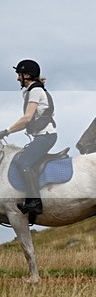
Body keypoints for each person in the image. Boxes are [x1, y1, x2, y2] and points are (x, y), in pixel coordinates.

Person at [0, 59, 58, 218]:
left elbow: (26, 119)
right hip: (42, 136)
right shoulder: (31, 91)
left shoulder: (35, 91)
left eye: (19, 75)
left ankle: (35, 202)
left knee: (23, 162)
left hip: (46, 137)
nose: (18, 78)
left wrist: (6, 131)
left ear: (27, 75)